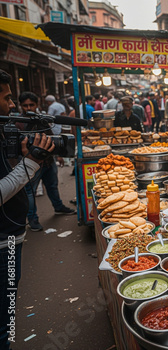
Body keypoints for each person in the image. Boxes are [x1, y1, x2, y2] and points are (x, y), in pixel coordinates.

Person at [0, 70, 55, 349]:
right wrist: (31, 162)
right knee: (5, 314)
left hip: (10, 234)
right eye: (7, 97)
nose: (12, 105)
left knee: (8, 304)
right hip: (4, 240)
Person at [19, 92, 76, 231]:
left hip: (48, 161)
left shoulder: (41, 120)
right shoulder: (18, 122)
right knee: (30, 192)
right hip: (30, 164)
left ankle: (58, 207)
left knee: (52, 186)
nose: (28, 108)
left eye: (31, 105)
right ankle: (33, 220)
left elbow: (51, 137)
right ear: (21, 106)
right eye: (25, 105)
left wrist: (59, 155)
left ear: (36, 105)